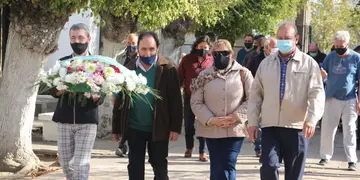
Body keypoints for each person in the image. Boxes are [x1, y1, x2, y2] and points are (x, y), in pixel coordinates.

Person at [247, 23, 325, 180]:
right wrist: (253, 122)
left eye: (287, 38)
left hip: (297, 127)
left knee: (294, 174)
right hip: (270, 127)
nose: (283, 41)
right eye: (280, 38)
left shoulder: (309, 64)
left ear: (296, 39)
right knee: (268, 166)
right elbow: (255, 96)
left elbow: (317, 94)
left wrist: (311, 119)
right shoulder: (266, 64)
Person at [112, 31, 183, 180]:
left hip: (159, 128)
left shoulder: (168, 69)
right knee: (135, 167)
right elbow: (120, 100)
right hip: (134, 127)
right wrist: (116, 127)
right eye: (143, 49)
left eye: (151, 49)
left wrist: (175, 128)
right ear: (137, 48)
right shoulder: (128, 69)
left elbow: (176, 100)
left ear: (157, 48)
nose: (147, 53)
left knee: (159, 166)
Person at [190, 39, 253, 180]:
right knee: (217, 165)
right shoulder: (204, 75)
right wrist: (212, 120)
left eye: (224, 53)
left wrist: (235, 117)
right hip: (212, 129)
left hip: (235, 128)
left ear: (231, 54)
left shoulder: (244, 73)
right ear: (211, 55)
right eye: (216, 54)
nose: (221, 56)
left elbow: (253, 100)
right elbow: (196, 102)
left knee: (228, 163)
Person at [50, 23, 105, 180]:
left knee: (80, 163)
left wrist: (97, 96)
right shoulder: (62, 63)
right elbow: (52, 89)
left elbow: (103, 92)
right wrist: (59, 90)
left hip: (87, 120)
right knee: (66, 164)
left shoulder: (97, 64)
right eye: (73, 38)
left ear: (89, 38)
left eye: (81, 37)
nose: (77, 41)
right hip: (64, 119)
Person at [319, 31, 359, 171]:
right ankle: (325, 156)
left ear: (347, 44)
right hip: (331, 97)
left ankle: (352, 160)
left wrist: (359, 101)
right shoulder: (330, 57)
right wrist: (323, 75)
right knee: (328, 128)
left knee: (350, 129)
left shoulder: (356, 58)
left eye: (341, 46)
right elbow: (322, 74)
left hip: (350, 99)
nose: (338, 48)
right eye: (336, 46)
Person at [178, 36, 214, 161]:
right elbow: (180, 76)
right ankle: (189, 147)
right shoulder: (187, 59)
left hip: (206, 98)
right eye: (201, 46)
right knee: (189, 124)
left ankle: (202, 151)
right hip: (189, 96)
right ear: (196, 46)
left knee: (203, 123)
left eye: (206, 47)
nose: (203, 49)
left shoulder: (212, 60)